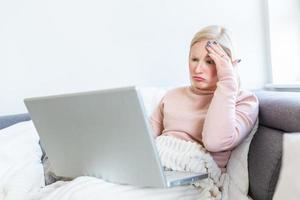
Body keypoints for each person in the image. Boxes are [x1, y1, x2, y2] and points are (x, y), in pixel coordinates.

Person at [149, 25, 259, 172]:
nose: (198, 69)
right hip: (159, 165)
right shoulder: (171, 95)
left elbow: (215, 142)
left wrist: (227, 81)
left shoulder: (245, 100)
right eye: (194, 59)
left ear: (229, 65)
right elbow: (146, 139)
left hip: (196, 176)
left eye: (210, 61)